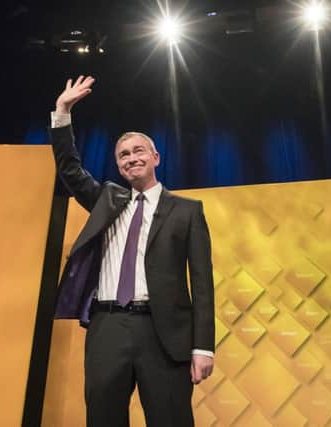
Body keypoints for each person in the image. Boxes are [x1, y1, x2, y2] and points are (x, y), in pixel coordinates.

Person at [50, 75, 215, 427]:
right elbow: (69, 169)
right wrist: (62, 112)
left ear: (155, 156)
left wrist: (203, 346)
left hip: (163, 332)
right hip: (107, 326)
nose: (131, 158)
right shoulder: (106, 200)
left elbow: (202, 286)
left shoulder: (188, 211)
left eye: (138, 151)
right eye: (123, 155)